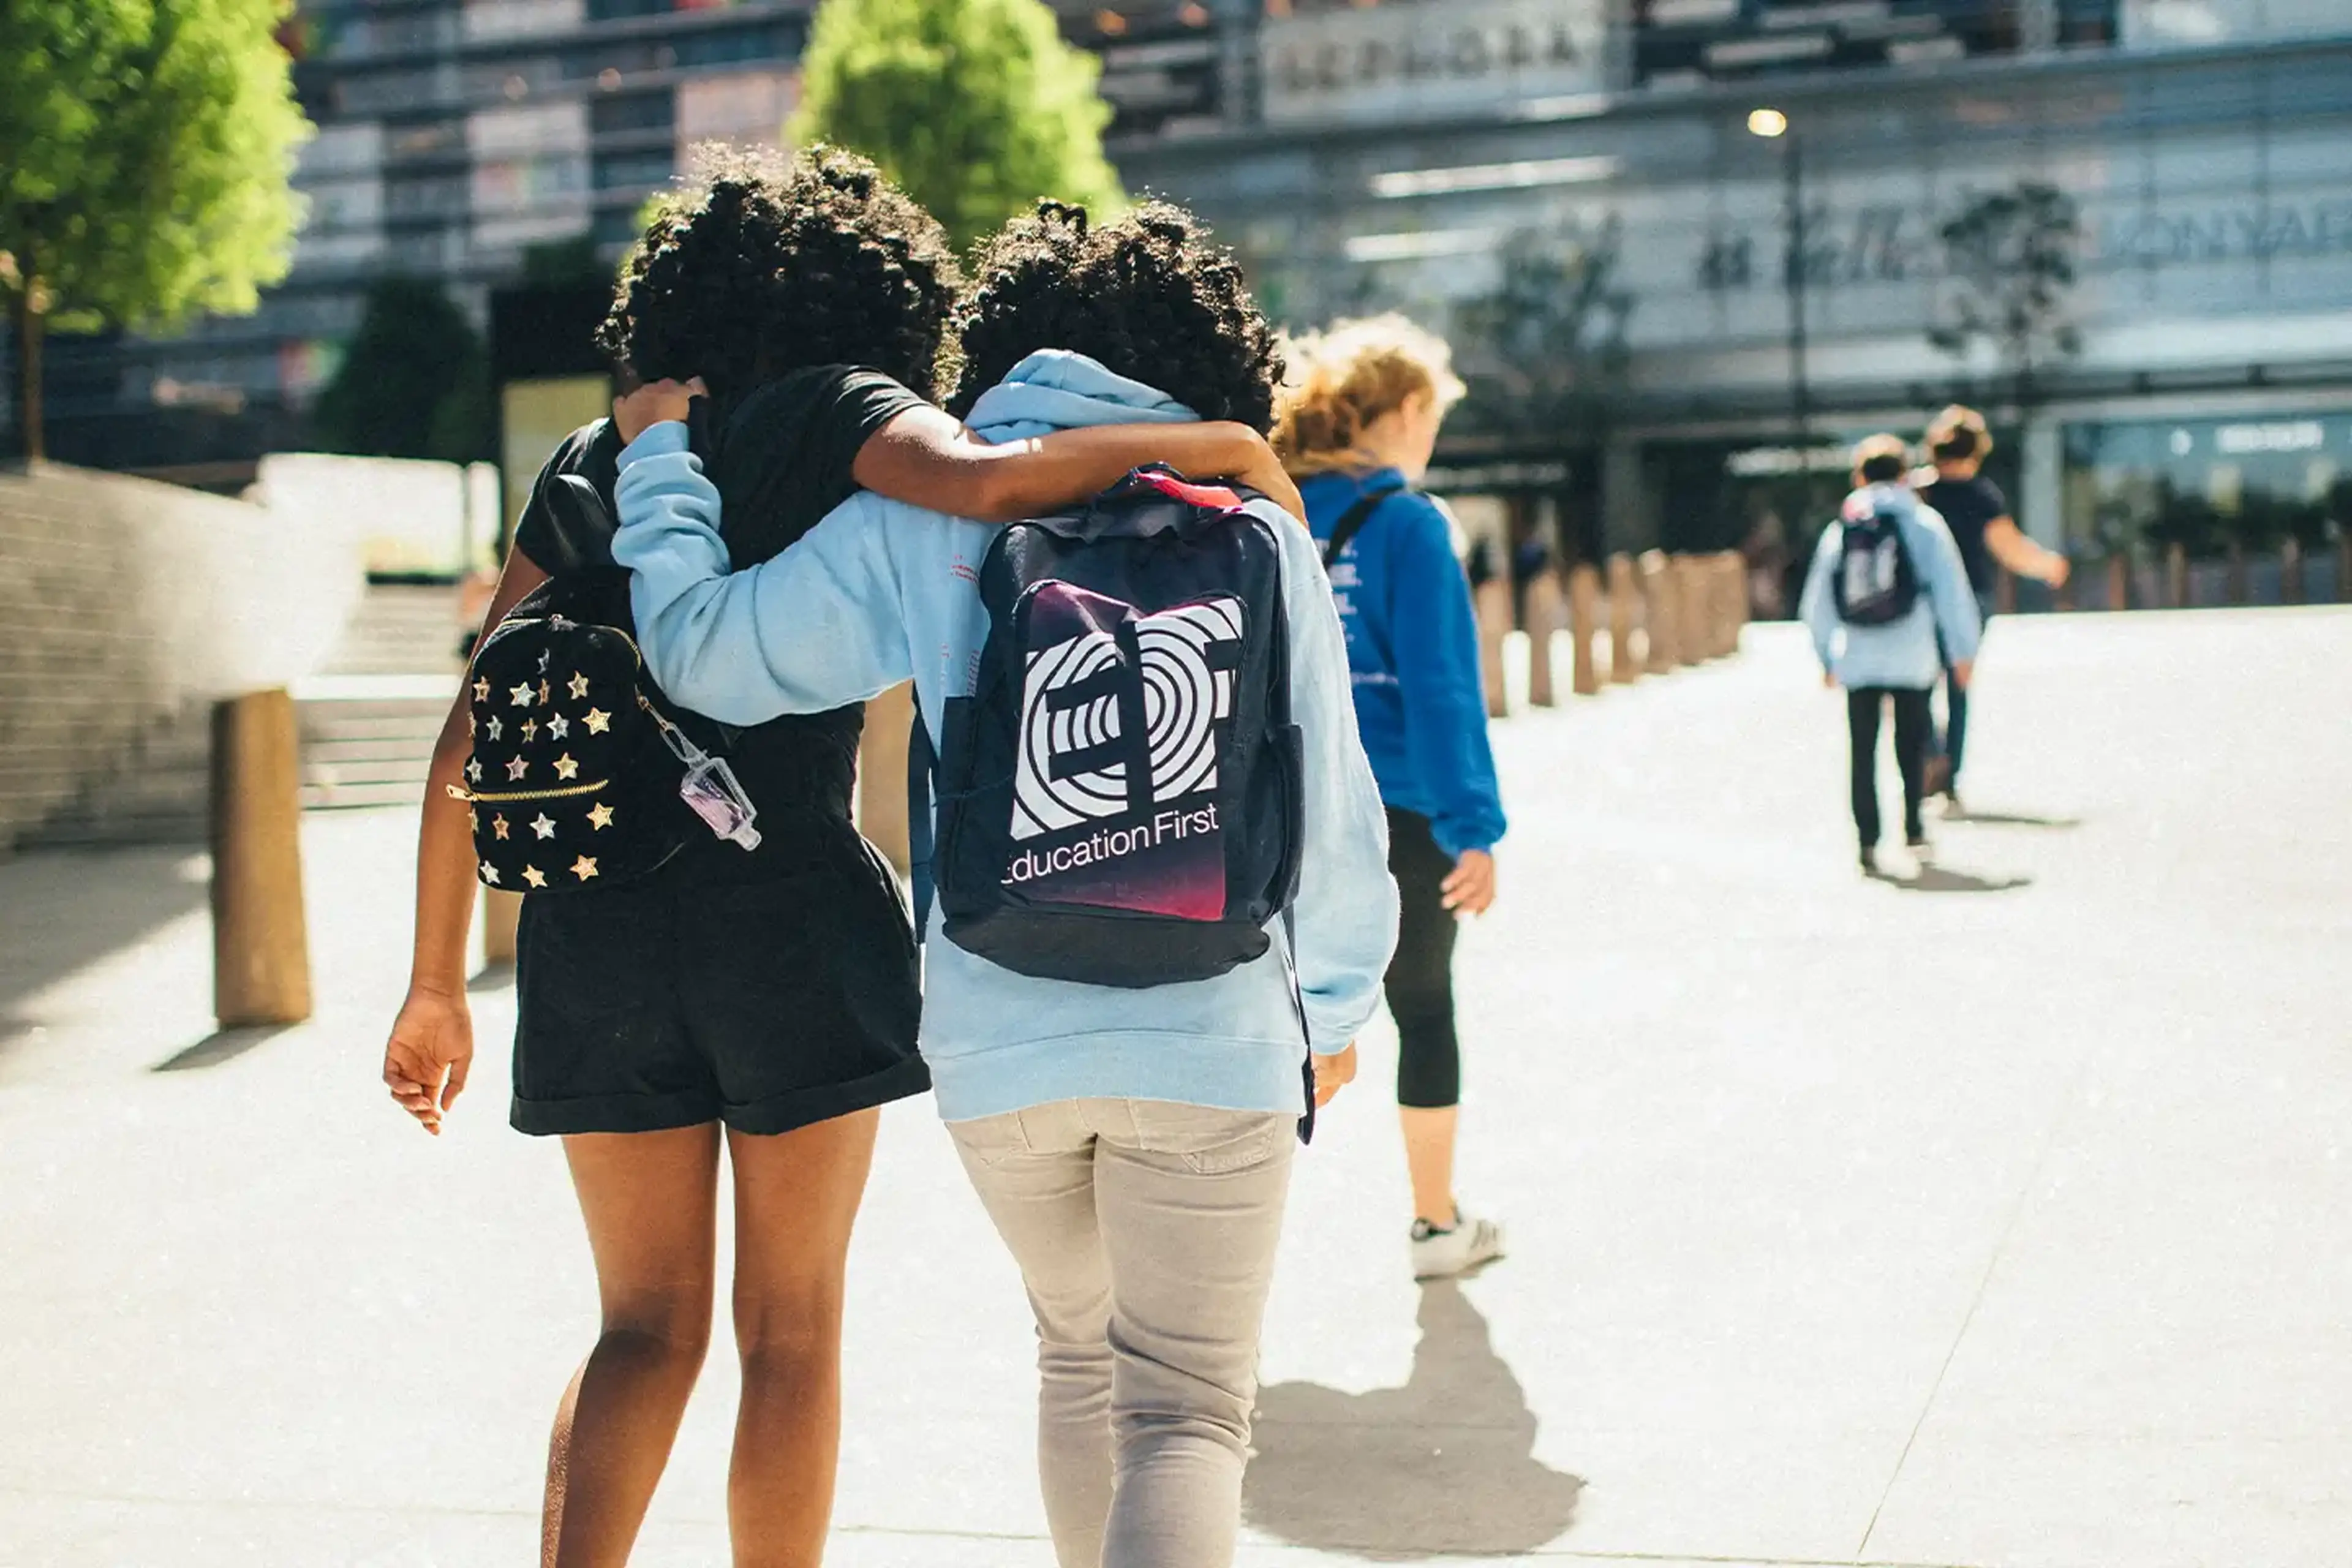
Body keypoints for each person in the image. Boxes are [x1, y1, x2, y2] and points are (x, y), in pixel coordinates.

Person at [377, 151, 1302, 1568]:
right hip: (787, 922)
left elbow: (472, 727)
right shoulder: (844, 410)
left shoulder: (599, 458)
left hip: (592, 936)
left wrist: (435, 980)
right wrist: (1220, 449)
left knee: (640, 1324)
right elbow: (994, 488)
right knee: (788, 1326)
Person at [607, 199, 1400, 1568]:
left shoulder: (916, 519)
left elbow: (704, 656)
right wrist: (1326, 1009)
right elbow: (1333, 800)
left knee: (1078, 1364)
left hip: (999, 1041)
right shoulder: (1255, 526)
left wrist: (661, 466)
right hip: (1215, 1032)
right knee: (1189, 1413)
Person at [1272, 315, 1507, 1281]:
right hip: (1397, 807)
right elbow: (1444, 685)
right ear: (1408, 411)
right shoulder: (1410, 525)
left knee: (1267, 1032)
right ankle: (1435, 1225)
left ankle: (1233, 1255)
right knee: (1423, 1008)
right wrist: (1473, 827)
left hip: (1275, 811)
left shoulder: (1269, 506)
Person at [1800, 434, 1982, 873]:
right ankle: (1914, 827)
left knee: (1862, 750)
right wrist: (1963, 652)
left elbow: (1817, 602)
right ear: (1905, 475)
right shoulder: (1923, 523)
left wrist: (1826, 657)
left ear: (1860, 477)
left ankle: (1867, 840)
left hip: (1858, 657)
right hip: (1913, 655)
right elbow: (1952, 592)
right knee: (1912, 742)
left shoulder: (1843, 526)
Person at [1913, 405, 2070, 809]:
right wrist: (2048, 565)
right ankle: (1950, 773)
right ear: (1976, 451)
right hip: (1970, 600)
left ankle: (1930, 754)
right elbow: (2010, 549)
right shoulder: (1981, 495)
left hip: (1921, 600)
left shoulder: (1918, 490)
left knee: (1915, 685)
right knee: (1959, 685)